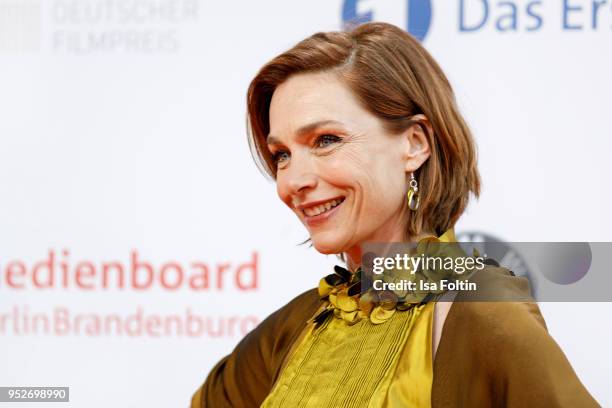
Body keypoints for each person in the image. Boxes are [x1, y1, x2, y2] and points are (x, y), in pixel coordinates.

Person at [190, 22, 598, 407]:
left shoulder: (481, 310)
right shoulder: (296, 325)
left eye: (326, 140)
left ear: (414, 145)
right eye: (282, 155)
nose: (292, 181)